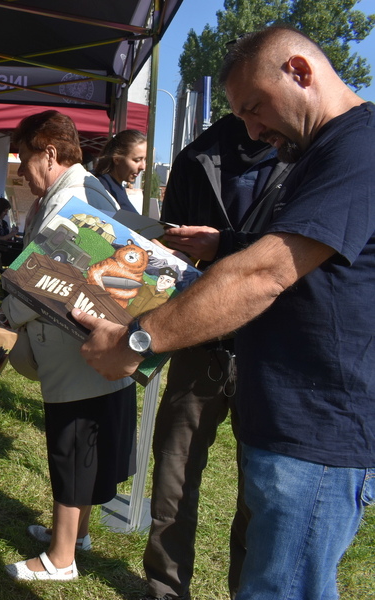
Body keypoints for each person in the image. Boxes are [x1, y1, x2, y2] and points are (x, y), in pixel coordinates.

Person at [74, 26, 375, 600]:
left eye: (256, 108)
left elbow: (271, 272)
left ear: (300, 72)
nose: (253, 129)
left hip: (316, 434)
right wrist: (223, 247)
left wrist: (135, 341)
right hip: (287, 422)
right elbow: (311, 263)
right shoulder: (320, 150)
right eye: (241, 116)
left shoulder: (358, 147)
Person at [140, 113, 290, 600]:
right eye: (242, 103)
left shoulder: (307, 154)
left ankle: (246, 590)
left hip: (271, 353)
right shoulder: (197, 157)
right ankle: (166, 589)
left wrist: (224, 245)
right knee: (173, 479)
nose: (253, 114)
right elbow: (169, 252)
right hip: (199, 346)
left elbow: (299, 253)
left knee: (262, 492)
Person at [0, 110, 137, 582]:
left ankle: (61, 560)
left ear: (50, 153)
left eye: (25, 157)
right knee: (82, 447)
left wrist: (5, 316)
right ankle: (75, 535)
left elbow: (44, 277)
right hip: (84, 347)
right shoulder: (82, 190)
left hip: (74, 351)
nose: (21, 170)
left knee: (72, 447)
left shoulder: (72, 197)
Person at [91, 129, 147, 214]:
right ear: (117, 159)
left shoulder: (112, 185)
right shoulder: (103, 187)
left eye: (144, 160)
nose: (143, 167)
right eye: (137, 160)